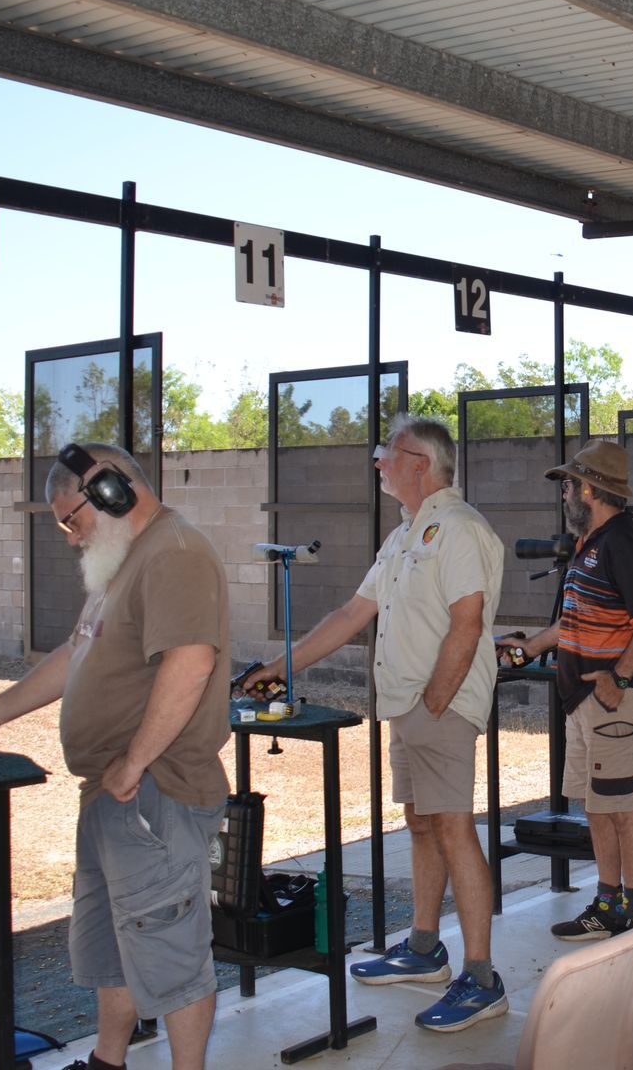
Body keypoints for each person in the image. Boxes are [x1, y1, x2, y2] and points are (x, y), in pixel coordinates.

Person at [0, 444, 229, 1070]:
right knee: (116, 947)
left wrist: (133, 762)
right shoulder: (124, 562)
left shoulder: (176, 555)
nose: (69, 534)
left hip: (154, 792)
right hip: (115, 795)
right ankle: (108, 1062)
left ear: (110, 491)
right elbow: (75, 654)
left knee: (173, 958)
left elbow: (191, 665)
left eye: (71, 518)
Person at [251, 415, 507, 1034]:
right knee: (422, 824)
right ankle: (423, 949)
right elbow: (349, 614)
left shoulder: (460, 529)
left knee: (452, 828)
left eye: (385, 455)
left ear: (419, 462)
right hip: (409, 707)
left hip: (437, 707)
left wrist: (435, 705)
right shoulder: (403, 537)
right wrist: (279, 665)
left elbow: (468, 623)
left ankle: (482, 977)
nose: (378, 464)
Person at [510, 440, 633, 941]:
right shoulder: (591, 543)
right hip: (586, 703)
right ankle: (608, 906)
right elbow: (572, 623)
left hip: (615, 701)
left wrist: (618, 676)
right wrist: (527, 647)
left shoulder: (621, 540)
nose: (563, 494)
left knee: (623, 808)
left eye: (568, 484)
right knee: (599, 807)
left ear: (589, 488)